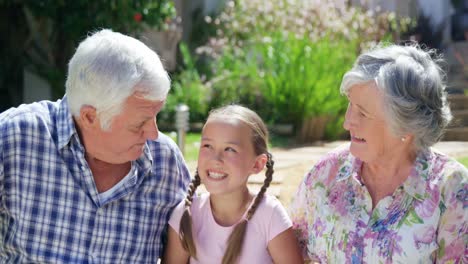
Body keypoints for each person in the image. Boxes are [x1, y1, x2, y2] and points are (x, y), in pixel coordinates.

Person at [0, 29, 191, 262]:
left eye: (155, 116)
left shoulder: (167, 162)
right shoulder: (13, 139)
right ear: (90, 117)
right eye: (139, 123)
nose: (153, 133)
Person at [289, 44, 468, 263]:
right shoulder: (326, 173)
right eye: (350, 105)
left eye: (362, 113)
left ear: (405, 126)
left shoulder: (452, 189)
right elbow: (288, 251)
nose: (347, 122)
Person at [163, 105, 303, 264]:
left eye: (230, 149)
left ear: (257, 164)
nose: (216, 159)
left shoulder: (270, 215)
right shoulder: (186, 214)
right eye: (207, 146)